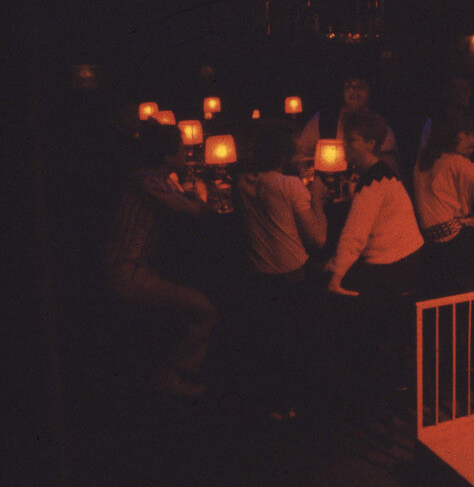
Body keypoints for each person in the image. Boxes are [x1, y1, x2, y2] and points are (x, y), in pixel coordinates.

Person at [104, 120, 217, 397]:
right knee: (205, 309)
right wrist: (200, 202)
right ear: (167, 155)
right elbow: (192, 212)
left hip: (136, 268)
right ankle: (171, 375)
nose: (185, 155)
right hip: (126, 272)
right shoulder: (146, 180)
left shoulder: (152, 179)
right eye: (181, 150)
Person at [324, 109, 425, 399]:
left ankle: (360, 386)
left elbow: (353, 237)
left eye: (351, 142)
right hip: (408, 258)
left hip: (396, 265)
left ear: (369, 144)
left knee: (339, 310)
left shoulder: (372, 185)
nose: (345, 147)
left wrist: (336, 276)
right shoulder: (383, 173)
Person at [233, 120, 328, 418]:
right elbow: (318, 238)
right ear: (285, 155)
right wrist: (318, 200)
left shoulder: (242, 182)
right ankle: (307, 400)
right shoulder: (289, 185)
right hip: (292, 279)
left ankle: (274, 405)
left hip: (259, 279)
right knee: (299, 340)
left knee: (271, 344)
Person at [413, 107, 474, 292]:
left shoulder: (423, 157)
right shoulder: (455, 162)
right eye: (467, 134)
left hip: (429, 244)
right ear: (451, 133)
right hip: (451, 243)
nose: (473, 141)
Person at [296, 72, 400, 176]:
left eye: (360, 86)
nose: (353, 91)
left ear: (369, 91)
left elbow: (390, 168)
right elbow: (301, 153)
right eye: (349, 86)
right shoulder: (322, 119)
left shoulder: (380, 126)